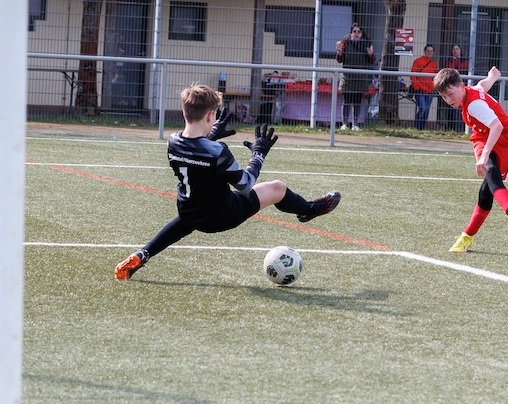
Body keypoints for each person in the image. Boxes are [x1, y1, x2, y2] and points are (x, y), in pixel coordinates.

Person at [114, 84, 341, 280]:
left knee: (192, 213)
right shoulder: (217, 151)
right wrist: (259, 153)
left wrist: (211, 134)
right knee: (277, 188)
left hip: (189, 210)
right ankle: (308, 210)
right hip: (222, 216)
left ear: (185, 112)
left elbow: (196, 153)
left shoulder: (172, 142)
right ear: (210, 115)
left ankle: (142, 254)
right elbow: (246, 184)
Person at [433, 66, 508, 253]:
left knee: (486, 191)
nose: (448, 100)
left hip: (503, 141)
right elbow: (483, 85)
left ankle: (471, 235)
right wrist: (492, 77)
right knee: (489, 178)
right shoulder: (471, 90)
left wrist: (484, 155)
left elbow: (497, 126)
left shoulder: (474, 105)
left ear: (461, 86)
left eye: (450, 94)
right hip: (484, 137)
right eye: (444, 97)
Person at [335, 23, 375, 131]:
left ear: (361, 33)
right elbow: (339, 60)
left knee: (357, 101)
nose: (356, 34)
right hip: (348, 76)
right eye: (354, 31)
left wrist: (370, 54)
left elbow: (371, 61)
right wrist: (339, 51)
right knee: (347, 101)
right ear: (351, 33)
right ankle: (344, 123)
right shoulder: (345, 43)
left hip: (360, 77)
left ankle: (355, 124)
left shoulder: (366, 44)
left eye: (359, 32)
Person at [440, 44, 469, 131]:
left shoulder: (465, 61)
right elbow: (449, 72)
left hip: (460, 88)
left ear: (460, 50)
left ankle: (460, 128)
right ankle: (450, 128)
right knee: (450, 109)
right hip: (450, 87)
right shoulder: (448, 61)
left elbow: (459, 71)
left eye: (457, 49)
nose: (455, 51)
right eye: (454, 49)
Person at [410, 44, 438, 130]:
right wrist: (416, 87)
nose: (429, 52)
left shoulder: (434, 64)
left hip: (430, 90)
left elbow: (435, 77)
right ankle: (417, 128)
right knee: (422, 109)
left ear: (433, 53)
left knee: (426, 111)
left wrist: (433, 87)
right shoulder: (418, 61)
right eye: (428, 51)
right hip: (420, 89)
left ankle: (422, 128)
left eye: (431, 51)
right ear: (424, 51)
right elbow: (413, 75)